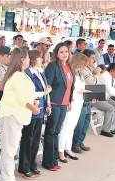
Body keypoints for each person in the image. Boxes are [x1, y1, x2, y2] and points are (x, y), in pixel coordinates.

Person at [0, 47, 39, 181]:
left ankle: (10, 179)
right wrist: (35, 109)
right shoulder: (17, 76)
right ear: (22, 59)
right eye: (27, 57)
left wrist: (35, 102)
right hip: (11, 116)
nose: (29, 60)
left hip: (16, 116)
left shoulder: (21, 74)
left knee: (12, 150)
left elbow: (28, 95)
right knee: (9, 151)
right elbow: (24, 100)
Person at [18, 49, 52, 179]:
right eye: (40, 58)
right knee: (28, 139)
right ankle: (24, 167)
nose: (42, 60)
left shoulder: (40, 72)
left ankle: (32, 164)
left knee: (36, 139)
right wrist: (43, 94)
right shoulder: (27, 74)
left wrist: (47, 103)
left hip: (41, 109)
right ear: (33, 59)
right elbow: (29, 93)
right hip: (30, 109)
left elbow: (46, 90)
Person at [43, 43, 74, 171]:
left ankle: (54, 159)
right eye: (61, 52)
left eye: (66, 51)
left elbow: (70, 85)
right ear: (56, 53)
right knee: (50, 132)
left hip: (64, 103)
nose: (64, 54)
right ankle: (48, 162)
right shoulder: (52, 66)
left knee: (56, 131)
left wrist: (69, 100)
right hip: (54, 103)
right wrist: (47, 103)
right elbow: (47, 86)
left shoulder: (68, 67)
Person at [58, 53, 91, 163]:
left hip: (79, 103)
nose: (83, 67)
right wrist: (86, 91)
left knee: (71, 128)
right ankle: (60, 151)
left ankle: (68, 148)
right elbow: (73, 89)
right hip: (72, 102)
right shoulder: (70, 73)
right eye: (82, 65)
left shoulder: (79, 74)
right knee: (66, 127)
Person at [72, 49, 101, 153]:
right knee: (80, 123)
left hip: (88, 98)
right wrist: (96, 75)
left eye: (94, 58)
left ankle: (80, 142)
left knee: (86, 122)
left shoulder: (89, 69)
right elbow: (91, 82)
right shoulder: (83, 70)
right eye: (92, 58)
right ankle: (75, 144)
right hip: (82, 99)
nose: (94, 60)